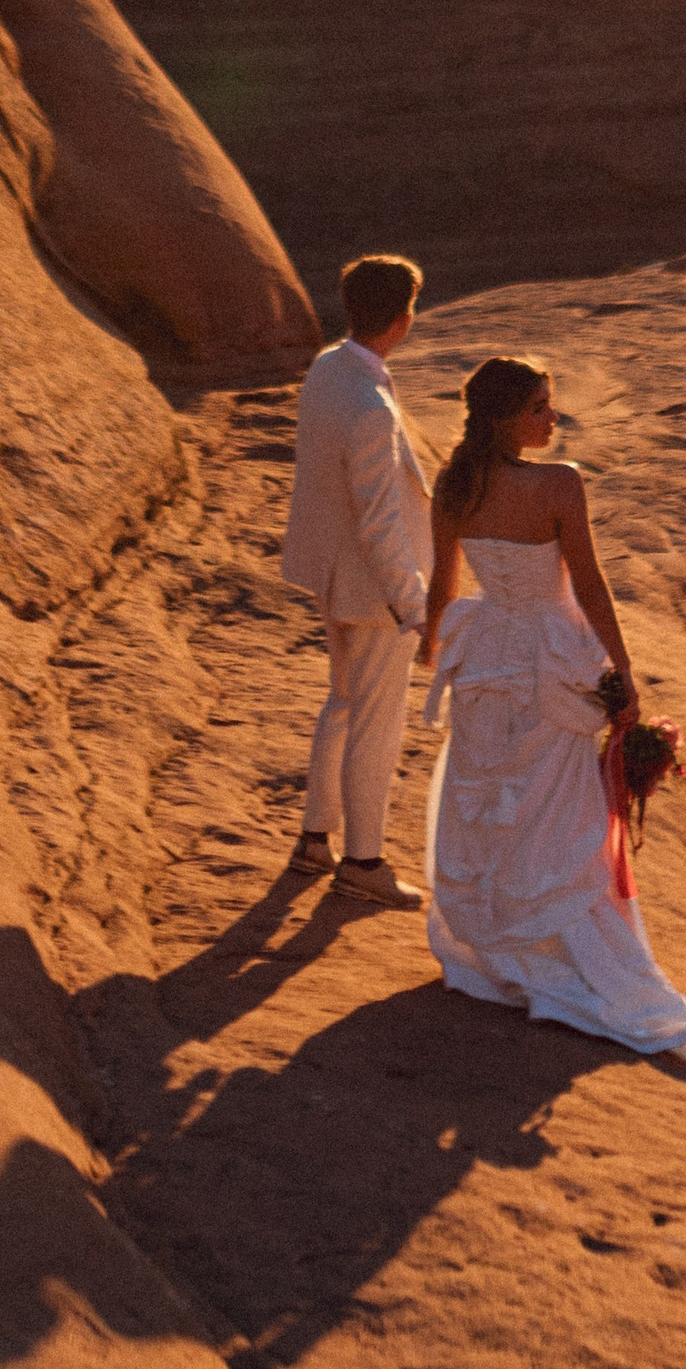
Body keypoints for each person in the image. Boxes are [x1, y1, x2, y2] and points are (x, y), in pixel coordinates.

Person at [417, 356, 686, 1092]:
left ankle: (506, 956)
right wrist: (622, 673)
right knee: (559, 814)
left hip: (490, 659)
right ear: (505, 418)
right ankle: (567, 962)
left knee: (497, 805)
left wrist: (434, 647)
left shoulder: (455, 485)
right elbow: (588, 582)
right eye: (539, 406)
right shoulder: (558, 484)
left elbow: (443, 583)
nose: (552, 419)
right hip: (550, 661)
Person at [279, 252, 434, 908]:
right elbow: (378, 522)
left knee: (343, 703)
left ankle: (317, 838)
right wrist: (415, 604)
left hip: (330, 572)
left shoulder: (327, 366)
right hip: (374, 590)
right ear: (404, 318)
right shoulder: (370, 402)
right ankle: (362, 860)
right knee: (376, 721)